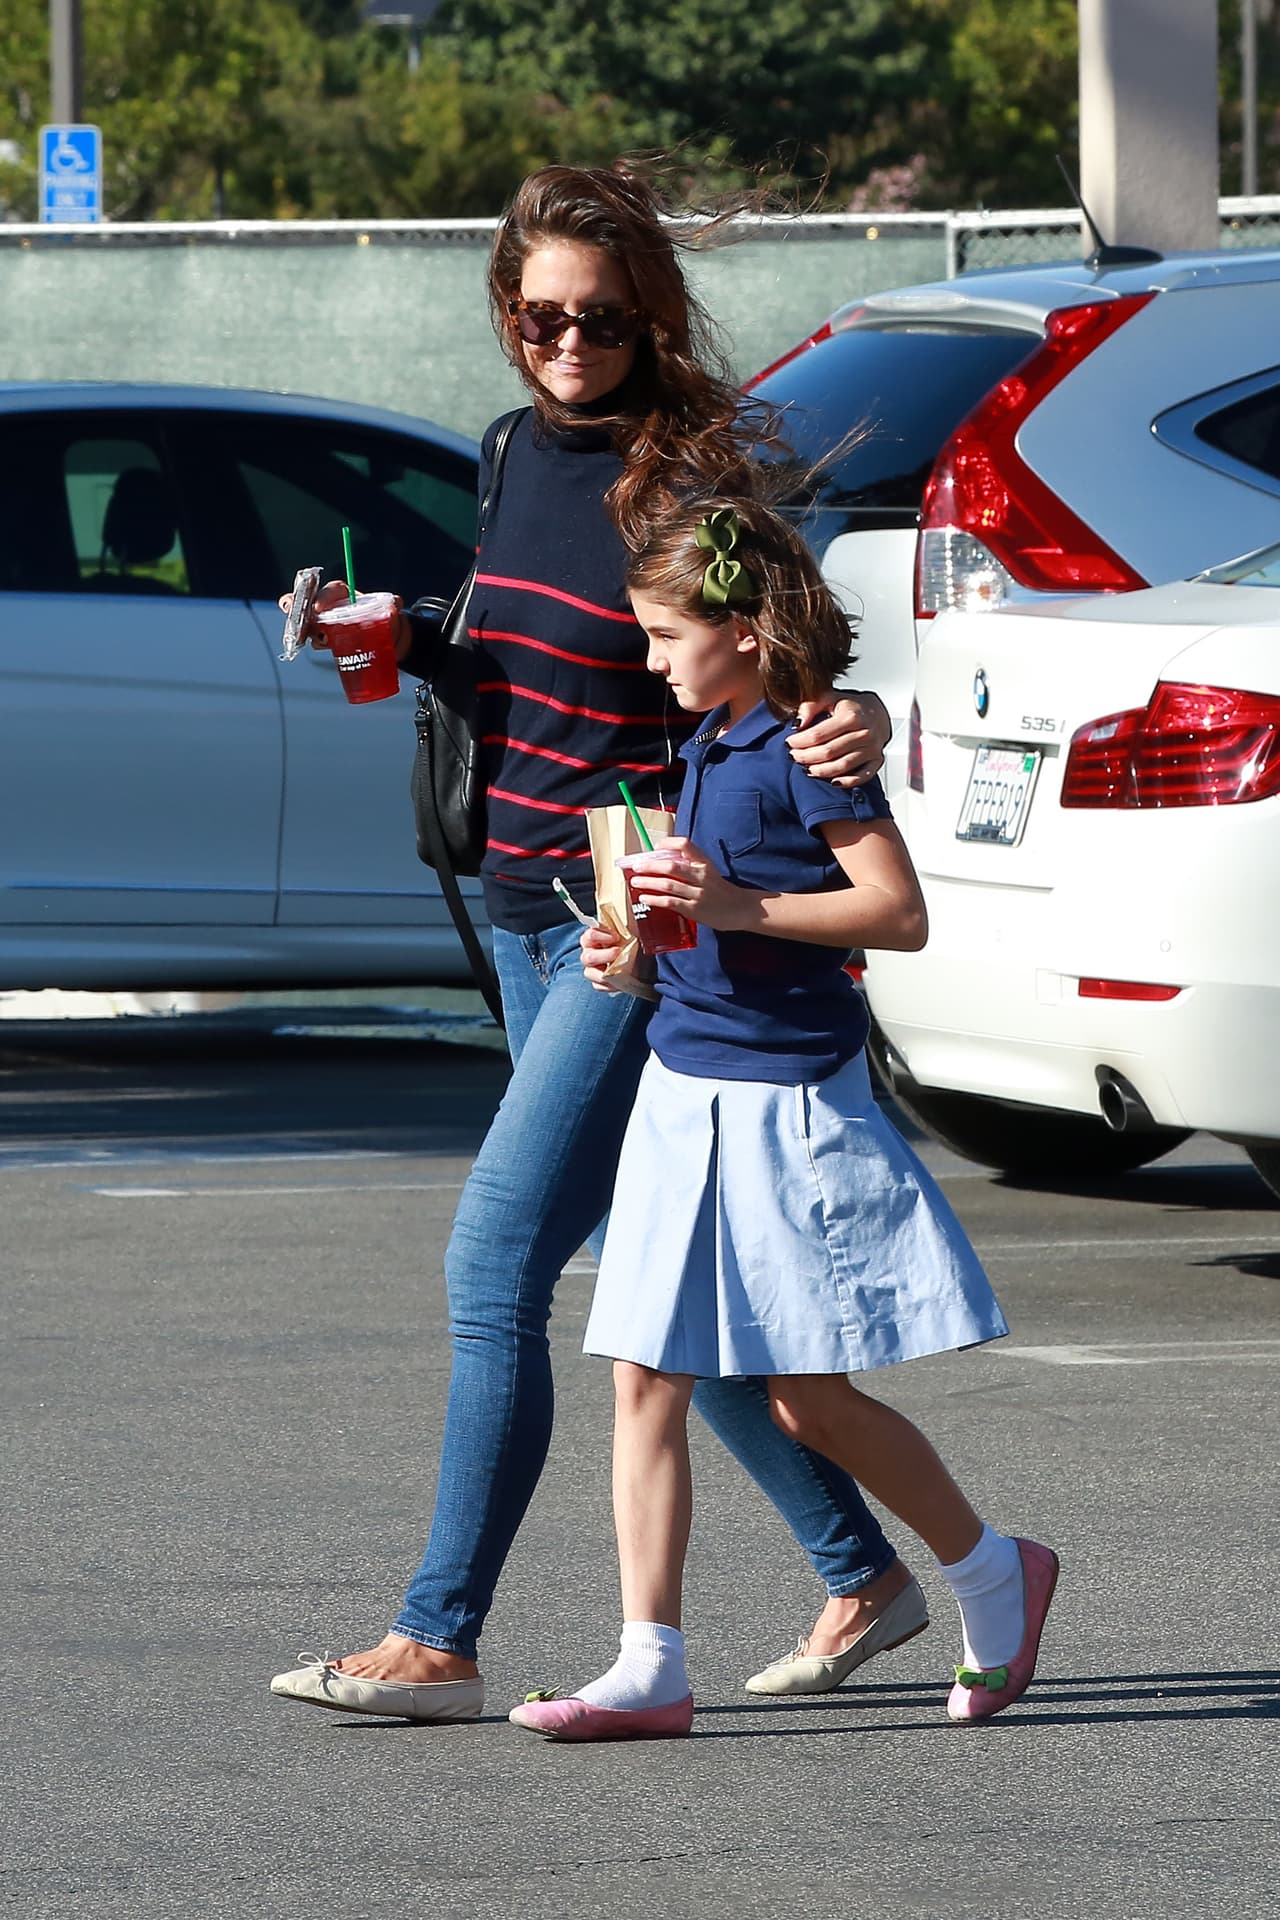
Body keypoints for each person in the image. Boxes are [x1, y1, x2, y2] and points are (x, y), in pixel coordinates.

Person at [270, 164, 925, 1727]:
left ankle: (438, 1635)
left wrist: (855, 718)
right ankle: (869, 1573)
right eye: (541, 317)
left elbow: (793, 656)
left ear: (653, 318)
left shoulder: (688, 478)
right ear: (509, 313)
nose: (570, 345)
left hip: (628, 921)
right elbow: (513, 648)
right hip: (514, 905)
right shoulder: (510, 451)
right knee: (657, 1283)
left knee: (495, 1260)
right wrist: (401, 637)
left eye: (604, 320)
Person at [510, 497, 1058, 1743]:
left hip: (783, 1106)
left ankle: (992, 1571)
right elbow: (710, 920)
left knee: (804, 1399)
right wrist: (631, 955)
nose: (650, 659)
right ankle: (648, 1665)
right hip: (681, 1087)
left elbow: (895, 912)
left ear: (744, 633)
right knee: (643, 1377)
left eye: (665, 635)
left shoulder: (806, 746)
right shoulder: (708, 742)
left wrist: (731, 907)